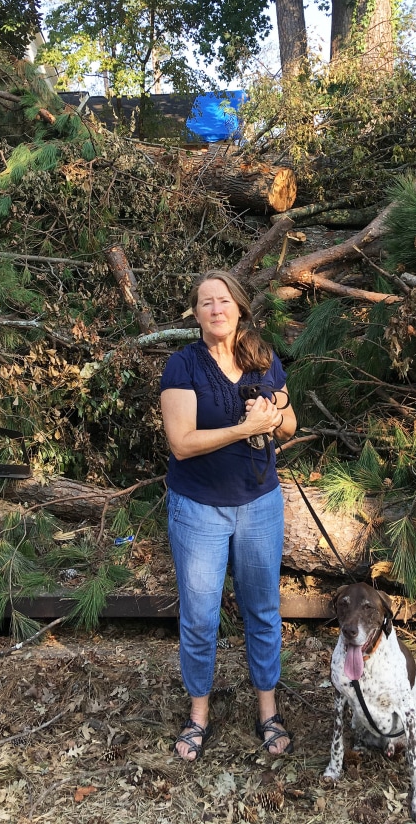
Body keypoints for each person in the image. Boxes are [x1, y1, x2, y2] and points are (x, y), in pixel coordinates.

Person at [160, 269, 298, 762]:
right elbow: (182, 443)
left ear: (239, 307)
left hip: (260, 505)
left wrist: (276, 412)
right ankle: (198, 714)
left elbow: (290, 422)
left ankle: (268, 709)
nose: (216, 309)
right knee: (200, 618)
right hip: (199, 510)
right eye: (205, 303)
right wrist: (246, 428)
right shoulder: (183, 367)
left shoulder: (260, 357)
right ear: (195, 314)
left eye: (224, 301)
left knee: (262, 611)